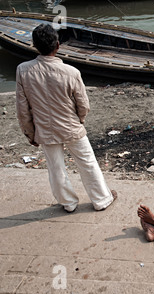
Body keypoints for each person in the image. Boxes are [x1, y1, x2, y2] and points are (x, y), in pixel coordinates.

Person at [15, 23, 117, 213]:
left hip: (44, 129)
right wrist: (80, 120)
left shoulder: (23, 70)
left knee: (56, 168)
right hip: (72, 126)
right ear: (58, 45)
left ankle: (68, 203)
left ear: (35, 45)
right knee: (87, 163)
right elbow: (83, 105)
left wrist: (30, 133)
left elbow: (22, 109)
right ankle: (101, 199)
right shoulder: (71, 72)